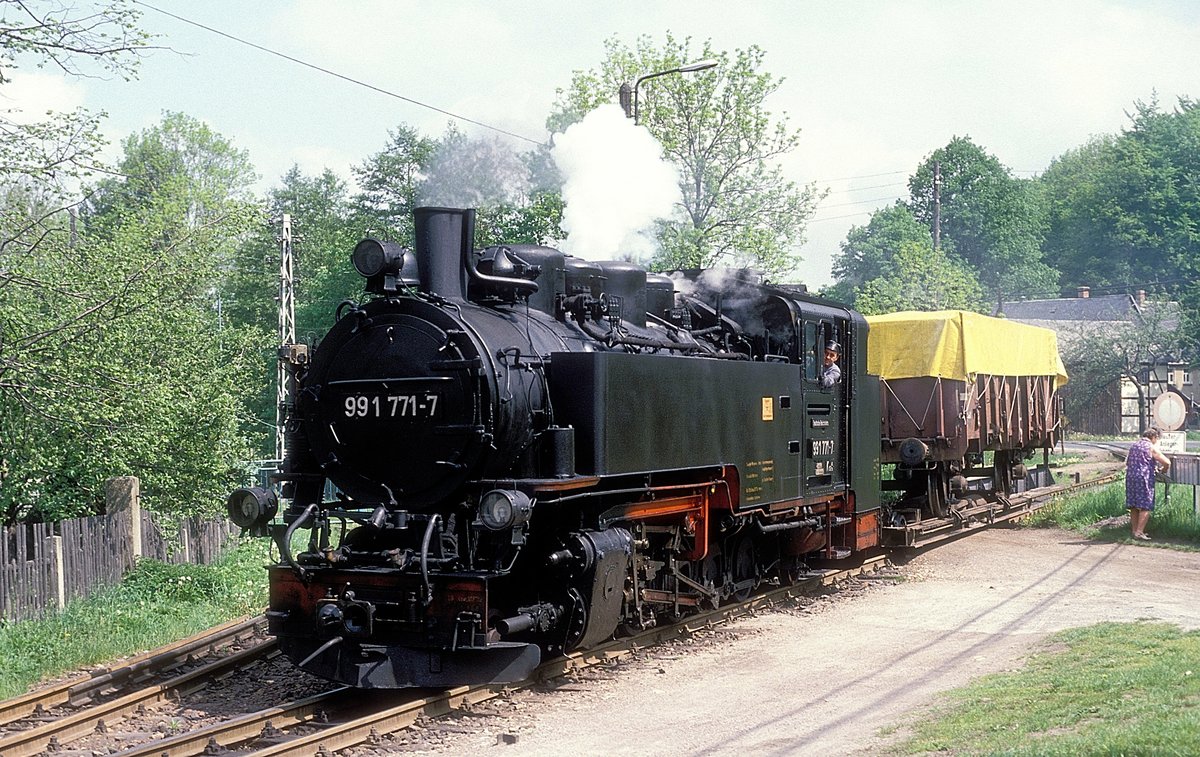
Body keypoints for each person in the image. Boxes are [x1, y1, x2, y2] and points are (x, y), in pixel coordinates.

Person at [1126, 427, 1170, 541]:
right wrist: (1163, 471)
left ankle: (1134, 531)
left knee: (1134, 505)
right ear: (1153, 437)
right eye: (1157, 438)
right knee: (1146, 504)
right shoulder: (1150, 447)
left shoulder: (1134, 446)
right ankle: (1140, 532)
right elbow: (1167, 462)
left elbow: (1127, 462)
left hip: (1130, 477)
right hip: (1143, 478)